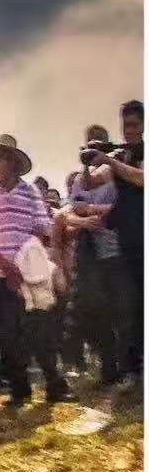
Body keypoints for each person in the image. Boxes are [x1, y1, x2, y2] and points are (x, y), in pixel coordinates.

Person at [0, 134, 72, 407]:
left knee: (39, 330)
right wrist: (5, 265)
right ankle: (20, 391)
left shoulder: (29, 192)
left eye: (2, 157)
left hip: (31, 275)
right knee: (6, 335)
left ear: (12, 161)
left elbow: (42, 230)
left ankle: (55, 385)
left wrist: (29, 263)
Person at [59, 141, 126, 386]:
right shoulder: (80, 179)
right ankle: (110, 369)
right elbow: (69, 211)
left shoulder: (117, 171)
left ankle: (131, 366)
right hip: (93, 257)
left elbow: (124, 207)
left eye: (96, 149)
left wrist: (92, 209)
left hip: (120, 251)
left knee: (124, 311)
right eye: (86, 150)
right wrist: (84, 219)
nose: (91, 155)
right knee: (100, 315)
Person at [88, 100, 144, 378]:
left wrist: (109, 159)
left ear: (143, 125)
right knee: (130, 304)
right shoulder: (120, 155)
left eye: (134, 124)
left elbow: (141, 179)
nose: (130, 130)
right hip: (128, 239)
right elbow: (92, 182)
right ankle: (134, 366)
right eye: (126, 125)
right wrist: (92, 158)